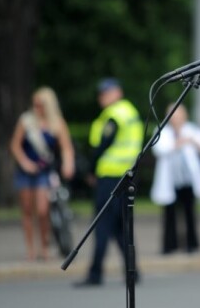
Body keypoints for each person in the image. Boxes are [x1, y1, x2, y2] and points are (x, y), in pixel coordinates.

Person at [75, 78, 143, 287]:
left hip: (110, 177)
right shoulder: (130, 111)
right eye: (101, 93)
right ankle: (132, 271)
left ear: (117, 92)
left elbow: (103, 145)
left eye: (106, 92)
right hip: (127, 176)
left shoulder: (115, 115)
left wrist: (90, 170)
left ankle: (95, 273)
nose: (102, 97)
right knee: (120, 226)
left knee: (103, 225)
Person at [10, 86, 75, 261]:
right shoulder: (26, 121)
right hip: (26, 171)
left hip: (44, 171)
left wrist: (68, 165)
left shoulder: (57, 123)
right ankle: (30, 249)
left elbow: (66, 147)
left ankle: (44, 245)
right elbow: (15, 145)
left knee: (42, 210)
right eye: (35, 104)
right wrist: (25, 163)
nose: (37, 108)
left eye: (40, 104)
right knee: (27, 210)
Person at [150, 104, 200, 255]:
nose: (176, 119)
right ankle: (169, 245)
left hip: (187, 180)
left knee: (189, 212)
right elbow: (159, 149)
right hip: (170, 180)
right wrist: (178, 143)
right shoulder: (162, 131)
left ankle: (191, 244)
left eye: (179, 116)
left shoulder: (192, 130)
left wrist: (192, 142)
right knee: (169, 214)